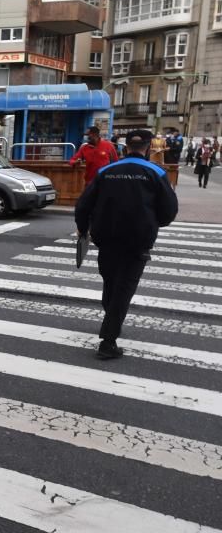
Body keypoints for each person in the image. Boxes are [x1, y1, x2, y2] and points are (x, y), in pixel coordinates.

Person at [74, 129, 178, 360]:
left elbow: (83, 205)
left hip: (106, 238)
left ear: (125, 147)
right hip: (137, 240)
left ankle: (111, 317)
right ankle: (108, 341)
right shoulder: (156, 172)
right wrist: (152, 223)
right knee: (124, 289)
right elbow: (169, 211)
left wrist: (84, 229)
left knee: (110, 283)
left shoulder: (106, 171)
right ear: (149, 147)